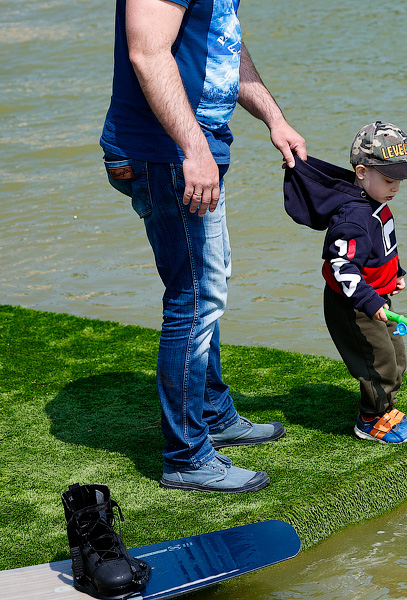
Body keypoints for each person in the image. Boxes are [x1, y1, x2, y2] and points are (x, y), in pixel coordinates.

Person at [99, 0, 305, 492]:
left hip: (192, 146)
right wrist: (194, 150)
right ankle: (186, 456)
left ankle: (212, 413)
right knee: (194, 297)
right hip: (166, 153)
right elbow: (147, 52)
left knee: (206, 285)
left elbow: (223, 40)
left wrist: (273, 118)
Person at [283, 121, 407, 444]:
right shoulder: (352, 216)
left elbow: (382, 247)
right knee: (378, 363)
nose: (396, 187)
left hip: (376, 297)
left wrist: (396, 273)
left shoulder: (377, 203)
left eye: (400, 179)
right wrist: (369, 301)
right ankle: (370, 419)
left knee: (396, 357)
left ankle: (386, 409)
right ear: (362, 172)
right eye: (389, 179)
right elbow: (342, 266)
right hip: (353, 305)